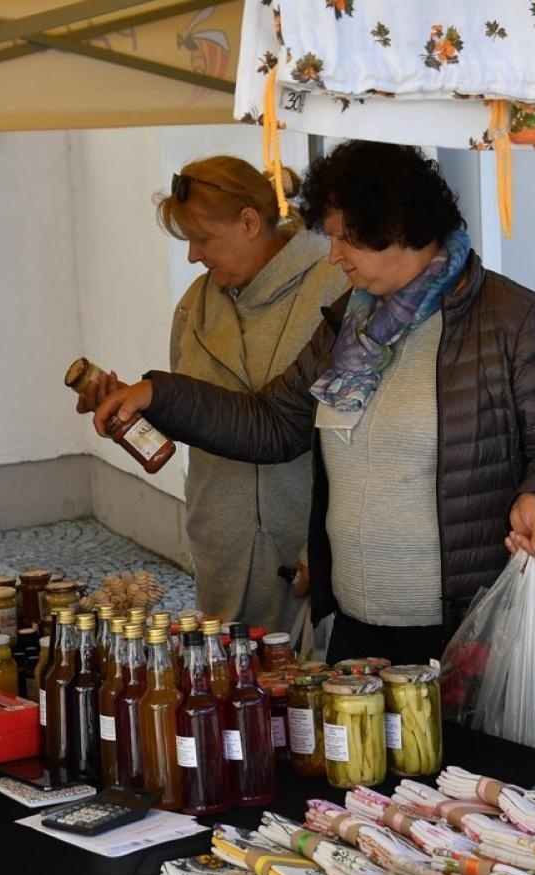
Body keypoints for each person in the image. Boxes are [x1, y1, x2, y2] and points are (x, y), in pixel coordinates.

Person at [91, 140, 535, 665]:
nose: (332, 256)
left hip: (466, 627)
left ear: (394, 227)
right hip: (357, 627)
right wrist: (158, 395)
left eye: (342, 239)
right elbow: (272, 423)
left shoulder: (512, 319)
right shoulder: (348, 327)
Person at [79, 157, 348, 633]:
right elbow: (196, 414)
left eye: (202, 239)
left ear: (249, 222)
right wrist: (130, 404)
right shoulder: (194, 308)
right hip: (222, 548)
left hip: (309, 553)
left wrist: (325, 549)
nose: (192, 257)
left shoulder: (335, 288)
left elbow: (357, 440)